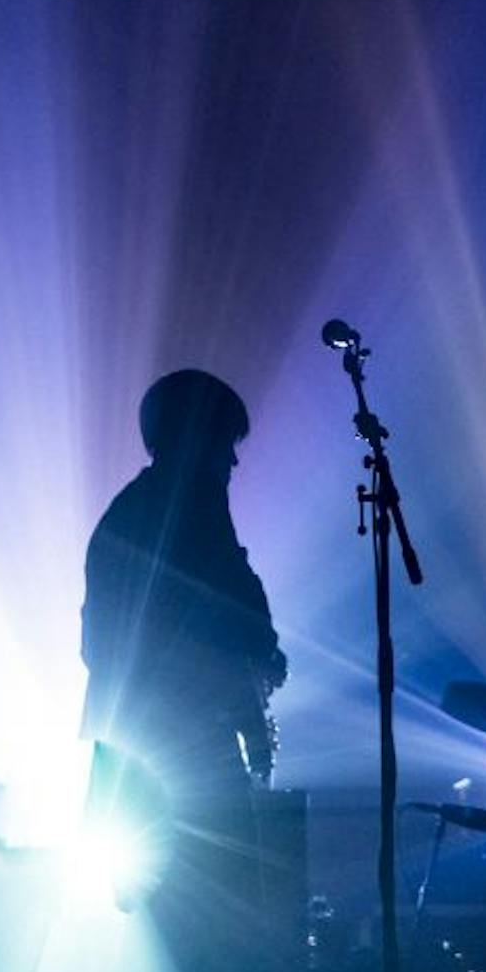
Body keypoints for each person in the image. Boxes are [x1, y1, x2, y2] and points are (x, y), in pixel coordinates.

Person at [80, 369, 286, 908]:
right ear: (198, 438)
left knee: (184, 929)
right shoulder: (193, 514)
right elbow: (222, 627)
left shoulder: (128, 516)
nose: (234, 462)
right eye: (226, 445)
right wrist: (252, 709)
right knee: (222, 924)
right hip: (186, 752)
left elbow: (97, 646)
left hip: (139, 753)